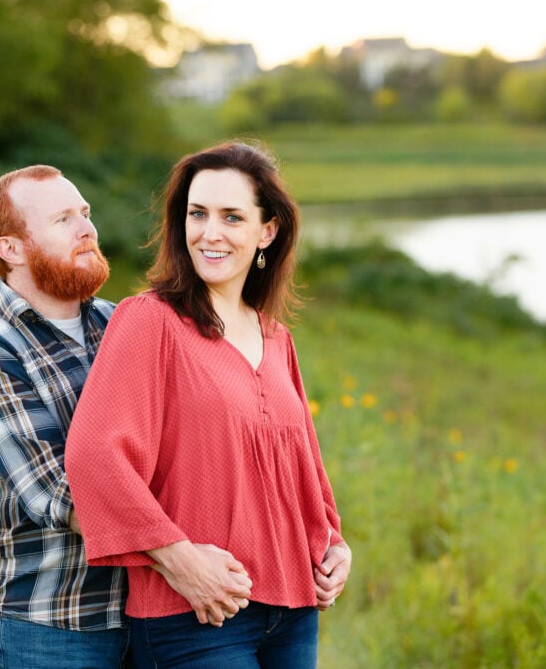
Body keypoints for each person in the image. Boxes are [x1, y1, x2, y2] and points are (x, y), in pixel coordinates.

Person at [65, 141, 351, 668]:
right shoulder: (149, 321)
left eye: (232, 217)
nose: (209, 233)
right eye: (197, 214)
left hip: (292, 610)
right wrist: (180, 562)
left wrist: (332, 543)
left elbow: (300, 462)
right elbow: (93, 457)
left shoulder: (275, 337)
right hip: (193, 617)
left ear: (267, 231)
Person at [0, 165, 128, 668]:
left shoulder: (121, 326)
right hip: (50, 624)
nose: (87, 228)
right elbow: (59, 495)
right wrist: (183, 556)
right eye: (63, 219)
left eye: (85, 214)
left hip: (150, 615)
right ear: (12, 249)